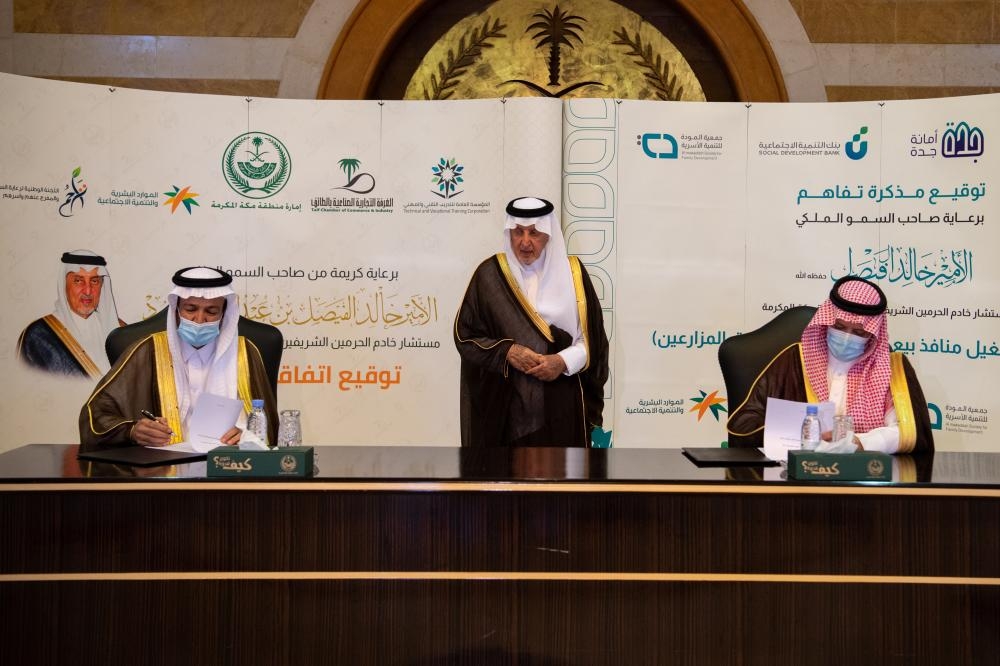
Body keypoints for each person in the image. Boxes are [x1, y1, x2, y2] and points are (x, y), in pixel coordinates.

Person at [454, 196, 610, 447]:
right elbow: (465, 337)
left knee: (561, 471)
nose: (525, 242)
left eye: (534, 233)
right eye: (518, 232)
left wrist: (562, 361)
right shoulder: (489, 275)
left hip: (562, 407)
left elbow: (593, 342)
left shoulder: (574, 274)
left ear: (548, 234)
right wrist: (508, 351)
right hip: (506, 413)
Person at [727, 275, 934, 453]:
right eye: (839, 327)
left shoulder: (892, 369)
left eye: (859, 332)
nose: (846, 337)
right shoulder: (793, 360)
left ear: (873, 333)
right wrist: (801, 434)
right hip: (798, 476)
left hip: (867, 476)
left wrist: (862, 443)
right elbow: (746, 424)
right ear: (826, 321)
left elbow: (909, 432)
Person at [79, 266, 277, 451]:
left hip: (230, 463)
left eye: (211, 311)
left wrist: (247, 436)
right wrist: (132, 430)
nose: (199, 320)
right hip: (162, 466)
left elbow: (269, 428)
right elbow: (95, 415)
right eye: (190, 309)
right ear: (175, 310)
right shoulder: (147, 351)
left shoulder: (244, 353)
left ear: (224, 314)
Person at [17, 250, 124, 378]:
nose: (88, 291)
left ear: (102, 285)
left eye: (94, 281)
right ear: (64, 285)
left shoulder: (118, 331)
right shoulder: (38, 335)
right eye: (78, 281)